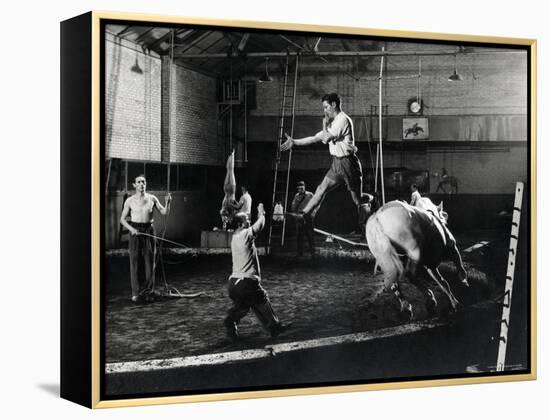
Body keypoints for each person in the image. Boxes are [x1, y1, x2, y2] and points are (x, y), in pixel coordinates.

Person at [280, 92, 373, 229]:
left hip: (349, 163)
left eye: (326, 107)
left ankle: (370, 200)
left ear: (334, 105)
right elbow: (314, 138)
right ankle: (303, 214)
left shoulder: (343, 120)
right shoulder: (334, 122)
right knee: (321, 188)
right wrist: (294, 142)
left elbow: (325, 138)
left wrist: (324, 123)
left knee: (357, 200)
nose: (324, 111)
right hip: (337, 163)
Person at [224, 203, 291, 340]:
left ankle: (232, 320)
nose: (249, 221)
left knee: (246, 306)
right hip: (247, 283)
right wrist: (262, 212)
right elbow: (260, 224)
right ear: (241, 225)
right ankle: (274, 326)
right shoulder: (245, 235)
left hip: (233, 284)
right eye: (246, 220)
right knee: (262, 299)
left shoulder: (235, 238)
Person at [120, 174, 171, 303]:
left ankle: (149, 291)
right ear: (134, 185)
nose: (142, 184)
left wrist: (168, 202)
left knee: (150, 261)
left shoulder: (152, 198)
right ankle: (136, 293)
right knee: (134, 262)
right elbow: (122, 220)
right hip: (135, 231)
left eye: (143, 182)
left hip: (149, 230)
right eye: (139, 182)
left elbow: (165, 212)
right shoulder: (130, 201)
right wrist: (132, 230)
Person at [291, 181, 315, 257]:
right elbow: (293, 207)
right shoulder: (296, 196)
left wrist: (313, 213)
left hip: (308, 217)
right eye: (299, 188)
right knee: (299, 236)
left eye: (302, 187)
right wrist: (295, 206)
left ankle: (312, 253)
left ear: (304, 187)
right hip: (299, 218)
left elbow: (316, 203)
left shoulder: (310, 194)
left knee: (310, 235)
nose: (300, 189)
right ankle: (299, 253)